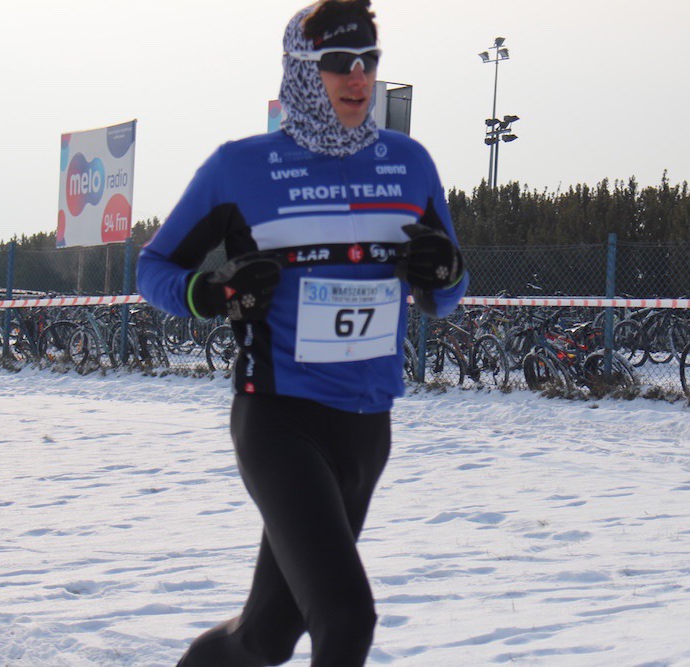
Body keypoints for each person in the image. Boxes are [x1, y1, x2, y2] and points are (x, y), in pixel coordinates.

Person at [137, 1, 468, 664]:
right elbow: (154, 268)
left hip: (367, 427)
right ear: (300, 71)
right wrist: (209, 292)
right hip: (279, 419)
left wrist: (444, 274)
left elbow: (448, 292)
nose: (357, 77)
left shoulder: (410, 164)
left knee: (266, 635)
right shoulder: (240, 167)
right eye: (338, 63)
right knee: (345, 617)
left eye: (368, 60)